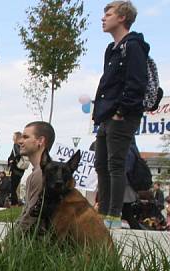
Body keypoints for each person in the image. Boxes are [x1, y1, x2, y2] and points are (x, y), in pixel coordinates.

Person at [93, 1, 149, 230]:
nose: (103, 18)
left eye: (109, 13)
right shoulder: (112, 49)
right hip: (106, 116)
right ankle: (104, 212)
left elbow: (137, 82)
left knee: (116, 165)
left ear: (122, 18)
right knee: (101, 165)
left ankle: (114, 216)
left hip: (121, 116)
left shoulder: (134, 46)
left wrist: (121, 112)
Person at [15, 121, 55, 233]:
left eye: (26, 137)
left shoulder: (41, 174)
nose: (20, 141)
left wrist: (7, 244)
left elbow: (30, 217)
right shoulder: (39, 173)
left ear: (40, 141)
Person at [7, 132, 26, 206]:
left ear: (16, 138)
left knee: (12, 187)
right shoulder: (22, 146)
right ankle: (16, 202)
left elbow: (17, 154)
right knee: (15, 187)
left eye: (13, 137)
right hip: (21, 169)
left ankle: (14, 203)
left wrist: (12, 160)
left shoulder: (16, 145)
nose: (12, 138)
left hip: (15, 169)